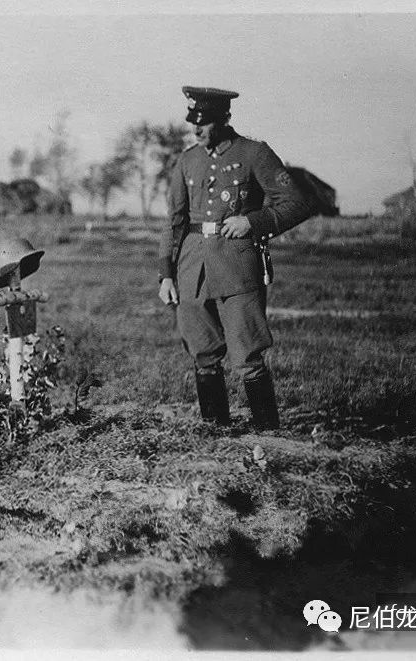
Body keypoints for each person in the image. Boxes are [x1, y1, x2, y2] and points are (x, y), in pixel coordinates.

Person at [158, 86, 313, 429]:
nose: (196, 130)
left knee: (248, 353)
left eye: (205, 122)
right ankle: (214, 430)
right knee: (202, 352)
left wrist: (253, 222)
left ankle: (268, 433)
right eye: (192, 122)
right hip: (191, 268)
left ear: (225, 118)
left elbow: (298, 202)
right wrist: (166, 274)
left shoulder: (254, 153)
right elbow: (175, 222)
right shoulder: (186, 161)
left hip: (237, 266)